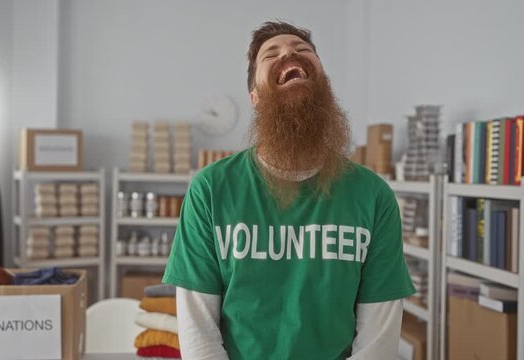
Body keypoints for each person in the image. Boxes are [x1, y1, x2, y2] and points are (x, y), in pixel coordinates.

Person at [162, 21, 416, 359]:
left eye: (302, 50)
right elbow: (198, 329)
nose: (289, 54)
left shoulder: (373, 196)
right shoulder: (211, 189)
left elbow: (378, 338)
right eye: (272, 54)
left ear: (324, 84)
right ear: (255, 97)